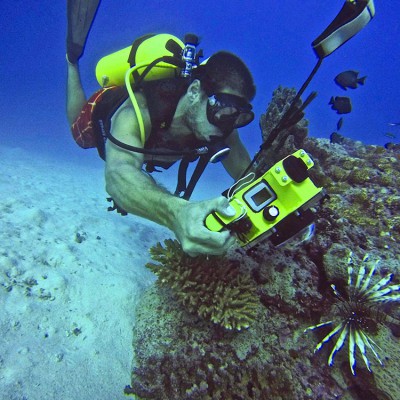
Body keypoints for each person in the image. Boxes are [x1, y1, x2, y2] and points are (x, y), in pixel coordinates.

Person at [66, 2, 256, 257]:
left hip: (151, 147)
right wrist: (177, 213)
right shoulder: (141, 110)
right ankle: (72, 61)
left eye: (238, 117)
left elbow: (249, 177)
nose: (226, 125)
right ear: (194, 92)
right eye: (221, 110)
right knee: (77, 134)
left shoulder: (221, 127)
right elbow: (118, 175)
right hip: (101, 112)